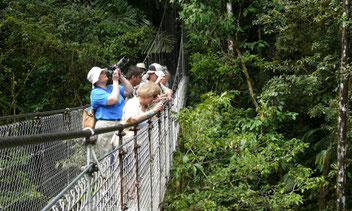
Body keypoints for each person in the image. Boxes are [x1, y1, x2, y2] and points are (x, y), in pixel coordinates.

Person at [87, 66, 133, 157]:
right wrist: (115, 80)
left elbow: (129, 90)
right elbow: (114, 99)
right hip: (106, 126)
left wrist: (121, 77)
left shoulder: (111, 87)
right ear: (96, 80)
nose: (104, 74)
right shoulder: (95, 93)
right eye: (101, 73)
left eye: (104, 72)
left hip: (120, 123)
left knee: (123, 155)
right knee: (108, 156)